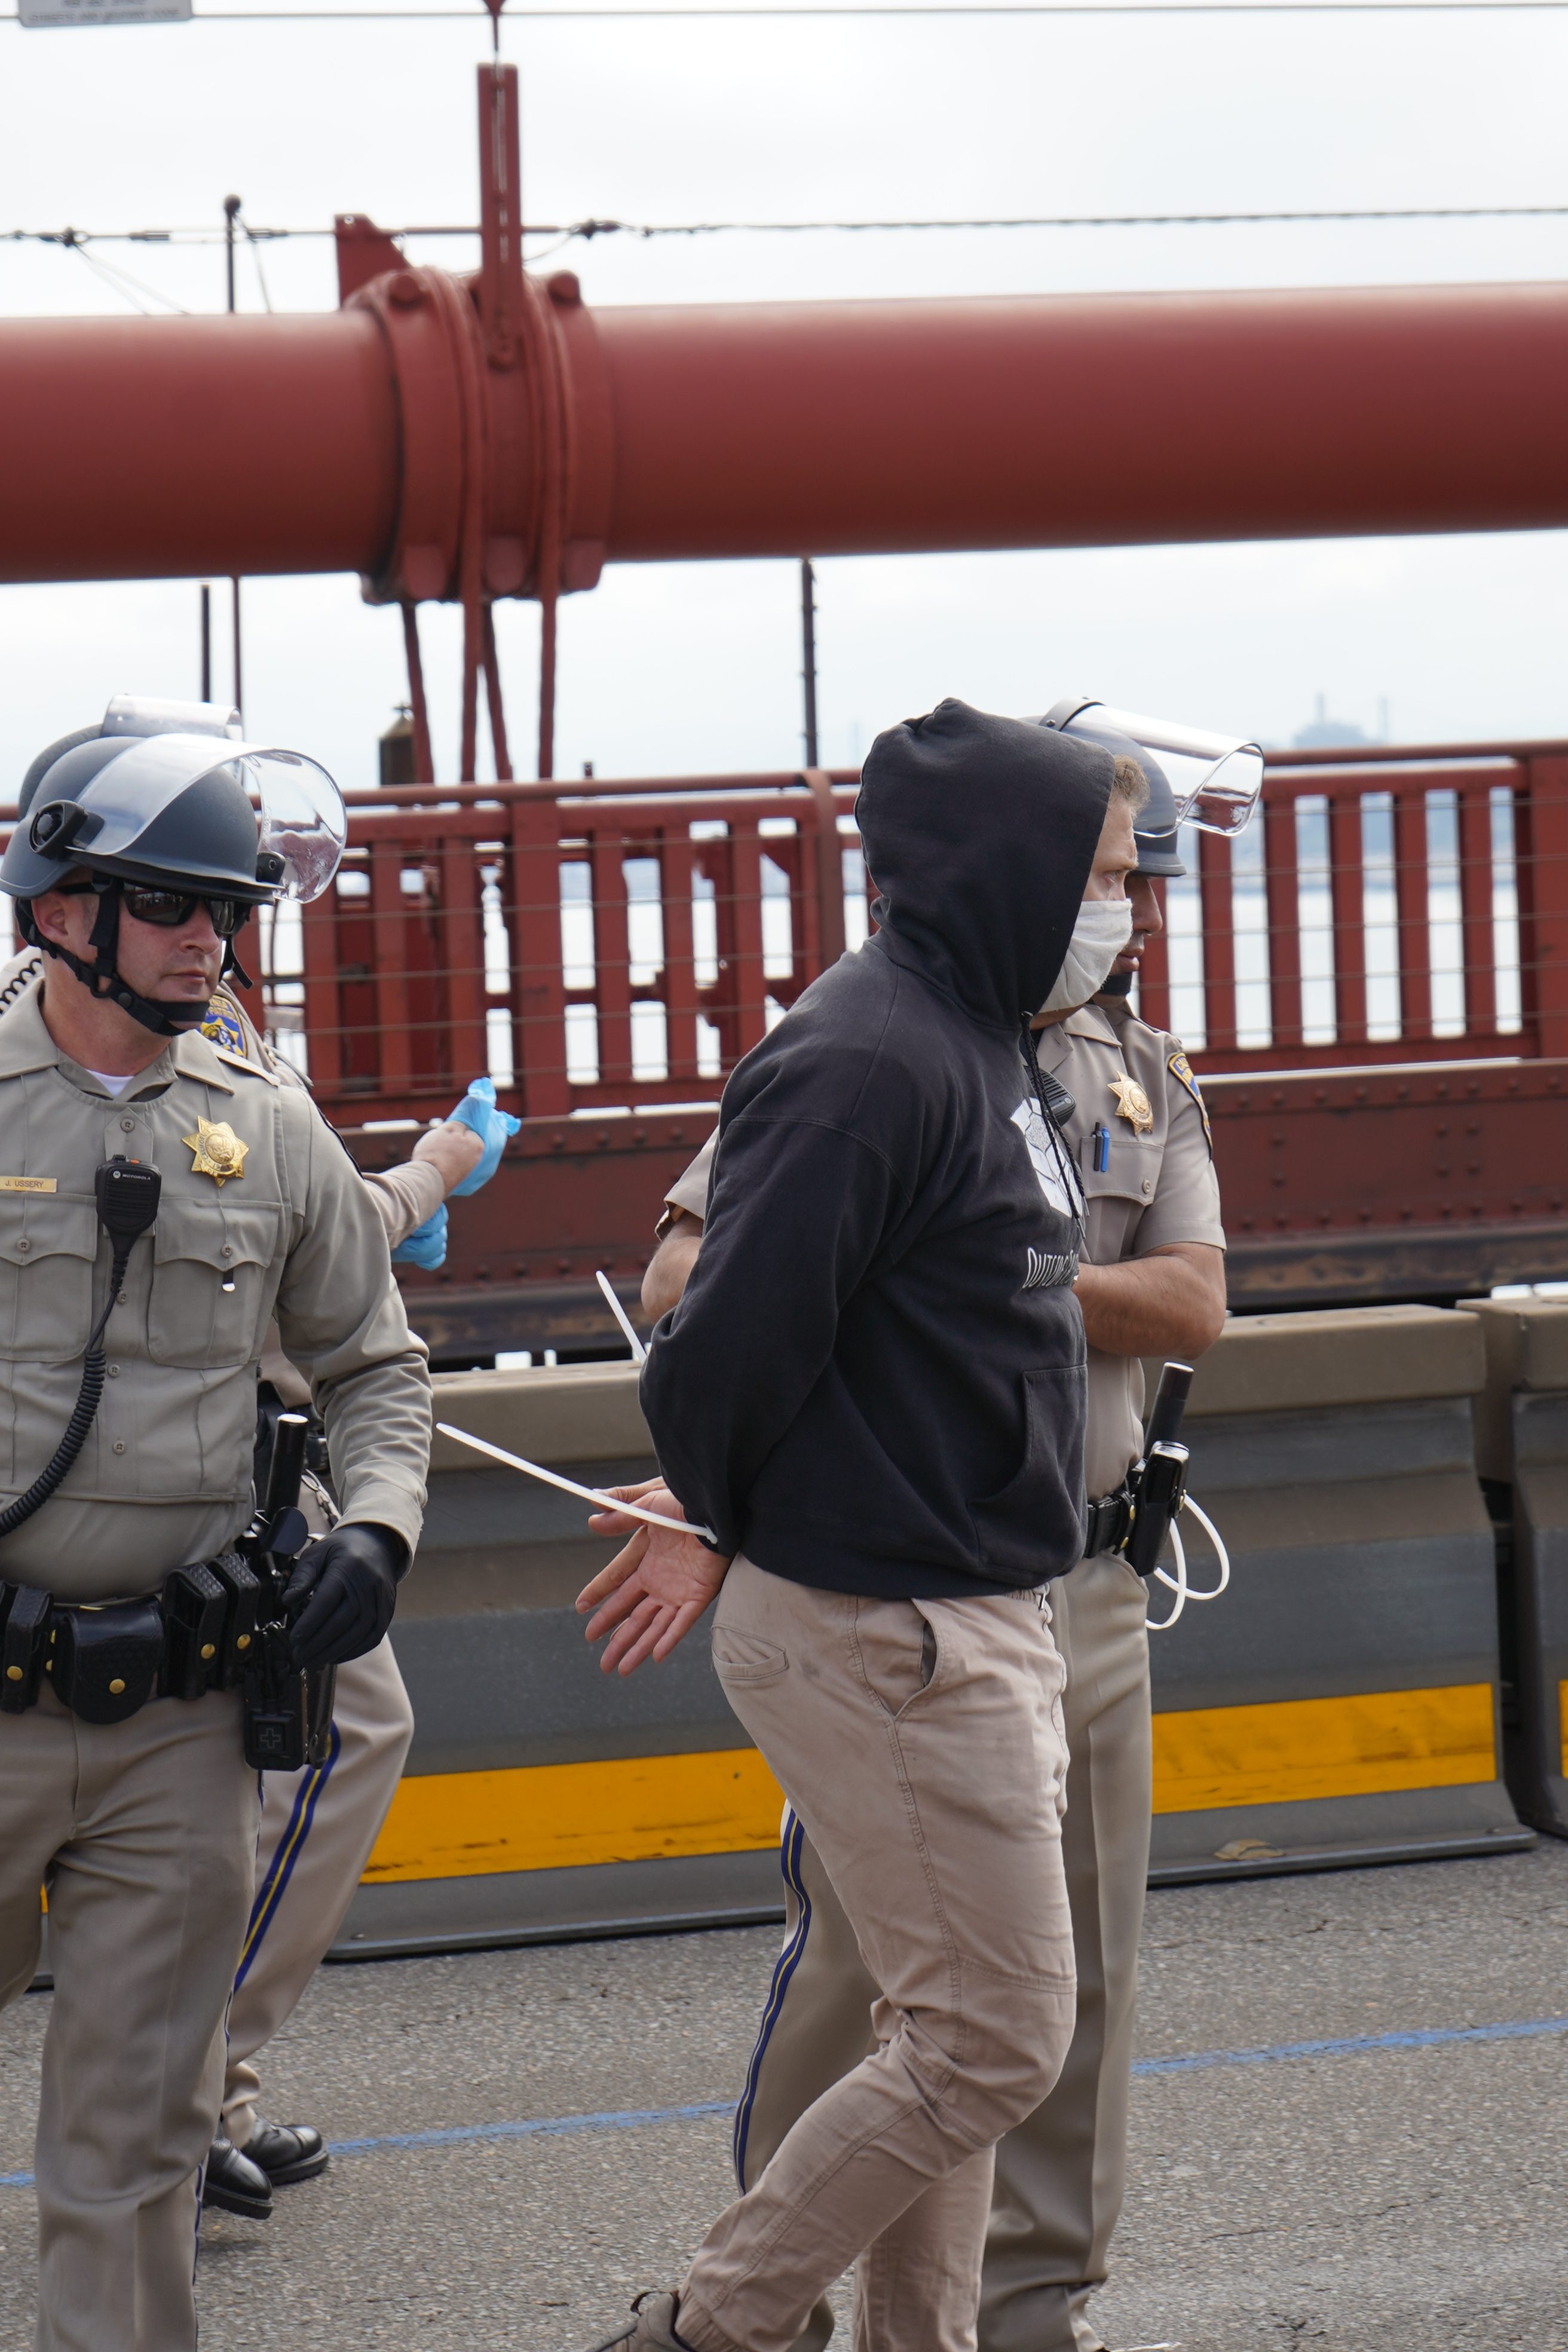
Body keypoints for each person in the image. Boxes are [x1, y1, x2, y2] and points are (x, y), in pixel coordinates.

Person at [641, 716, 1227, 2352]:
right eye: (1109, 877)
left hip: (981, 1602)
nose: (1130, 909)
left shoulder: (989, 1042)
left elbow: (1169, 1301)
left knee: (941, 2025)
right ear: (1014, 872)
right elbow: (718, 1346)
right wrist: (735, 1514)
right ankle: (717, 2326)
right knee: (993, 2041)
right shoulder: (870, 1062)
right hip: (889, 1622)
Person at [0, 699, 431, 2352]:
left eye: (232, 911)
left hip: (177, 1715)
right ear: (62, 909)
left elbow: (379, 1367)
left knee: (133, 2148)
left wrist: (376, 1535)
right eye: (175, 906)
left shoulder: (263, 1128)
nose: (211, 942)